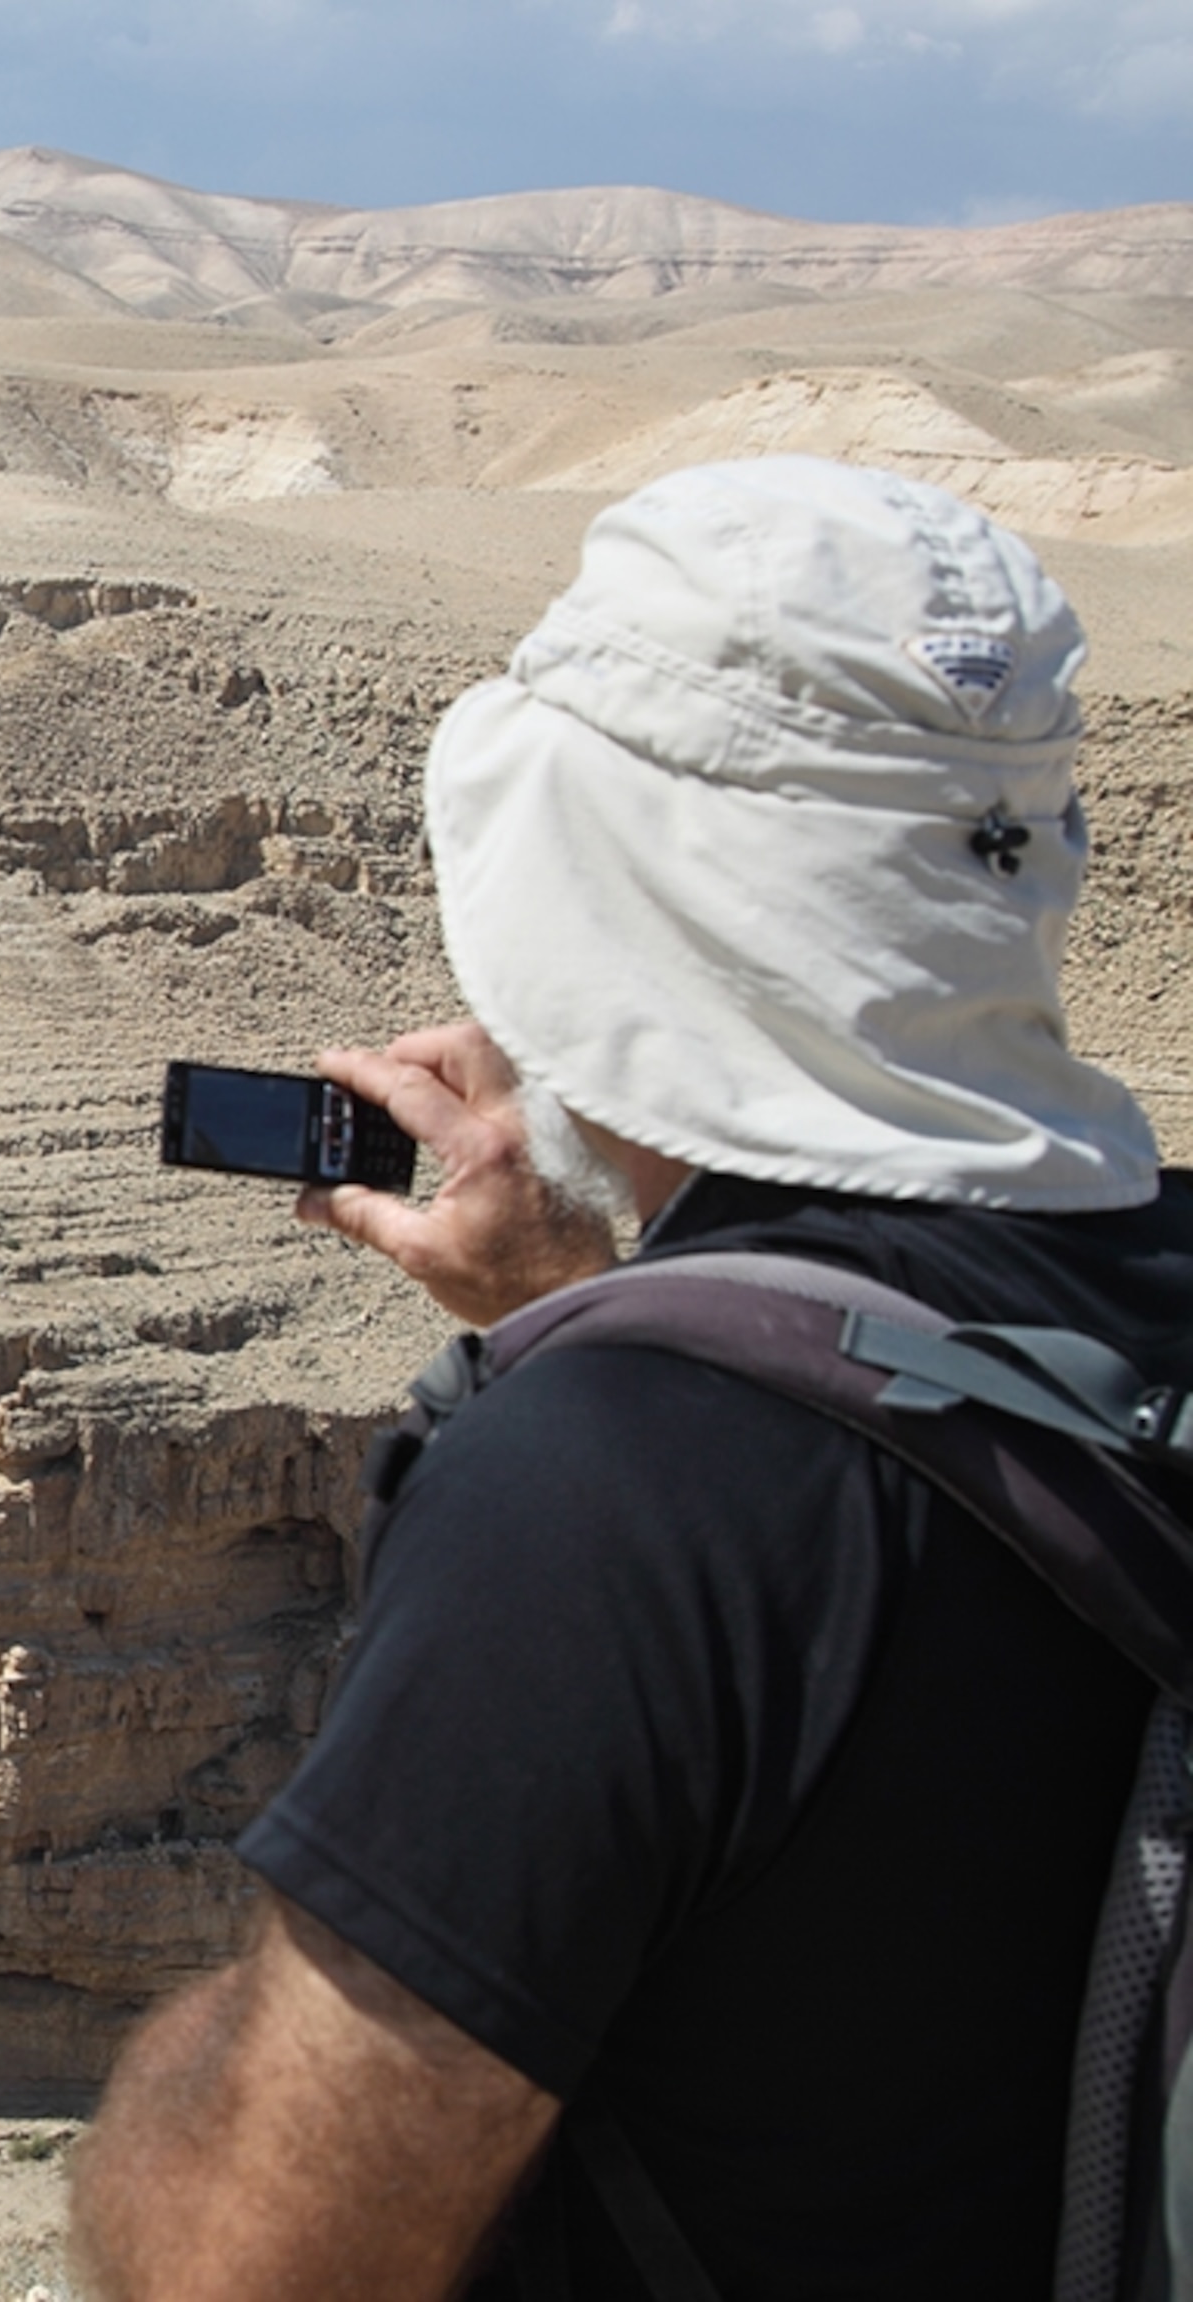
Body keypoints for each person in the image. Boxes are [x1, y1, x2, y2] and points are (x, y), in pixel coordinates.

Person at [68, 455, 1193, 2300]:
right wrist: (628, 1297)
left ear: (586, 906)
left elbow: (232, 2258)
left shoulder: (614, 1504)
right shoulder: (1136, 1305)